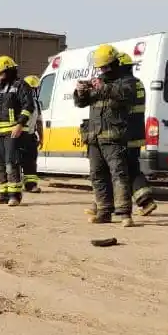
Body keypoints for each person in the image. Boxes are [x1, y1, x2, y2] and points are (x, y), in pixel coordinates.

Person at [85, 52, 156, 218]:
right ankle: (142, 201)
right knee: (126, 169)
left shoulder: (125, 85)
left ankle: (144, 202)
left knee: (122, 170)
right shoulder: (136, 83)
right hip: (134, 132)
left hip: (124, 133)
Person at [74, 44, 137, 227]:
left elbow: (126, 95)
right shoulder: (98, 80)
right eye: (100, 67)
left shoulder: (126, 80)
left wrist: (103, 87)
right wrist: (80, 91)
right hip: (94, 136)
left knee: (118, 174)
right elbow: (82, 103)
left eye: (105, 67)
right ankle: (103, 211)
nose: (102, 70)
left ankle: (125, 213)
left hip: (114, 137)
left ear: (114, 63)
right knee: (97, 174)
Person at [0, 55, 35, 206]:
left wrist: (19, 124)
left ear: (10, 71)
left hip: (13, 131)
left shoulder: (20, 85)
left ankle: (15, 196)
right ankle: (3, 194)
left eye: (0, 74)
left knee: (12, 163)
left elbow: (28, 106)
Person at [21, 75, 43, 193]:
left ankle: (31, 185)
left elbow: (39, 123)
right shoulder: (18, 101)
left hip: (30, 136)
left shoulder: (36, 104)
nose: (34, 91)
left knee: (31, 162)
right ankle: (15, 185)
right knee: (16, 162)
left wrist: (41, 137)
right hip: (19, 135)